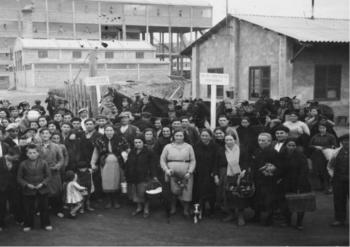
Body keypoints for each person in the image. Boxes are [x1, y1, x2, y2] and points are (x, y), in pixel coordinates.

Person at [215, 133, 251, 226]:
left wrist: (244, 171)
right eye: (227, 140)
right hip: (225, 175)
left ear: (235, 140)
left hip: (239, 174)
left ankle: (240, 216)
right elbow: (216, 164)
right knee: (226, 195)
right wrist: (216, 175)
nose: (229, 142)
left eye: (231, 139)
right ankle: (230, 214)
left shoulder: (241, 149)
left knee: (238, 194)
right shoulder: (220, 150)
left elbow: (246, 162)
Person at [91, 125, 129, 209]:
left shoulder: (121, 139)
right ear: (104, 131)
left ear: (114, 131)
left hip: (118, 164)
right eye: (107, 130)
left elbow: (127, 150)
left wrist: (128, 160)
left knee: (116, 181)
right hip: (105, 164)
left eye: (110, 130)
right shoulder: (100, 140)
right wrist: (93, 163)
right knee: (106, 181)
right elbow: (95, 153)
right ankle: (109, 201)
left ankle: (115, 201)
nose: (109, 132)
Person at [160, 130, 196, 217]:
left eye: (181, 136)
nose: (179, 137)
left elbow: (193, 160)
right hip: (171, 173)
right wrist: (166, 170)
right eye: (177, 135)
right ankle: (173, 208)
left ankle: (186, 210)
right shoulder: (168, 147)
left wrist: (190, 172)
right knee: (173, 192)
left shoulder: (189, 147)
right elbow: (162, 160)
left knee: (187, 191)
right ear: (173, 136)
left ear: (184, 137)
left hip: (186, 174)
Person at [17, 144, 52, 232]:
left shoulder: (44, 162)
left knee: (44, 207)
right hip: (28, 189)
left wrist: (43, 183)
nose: (32, 154)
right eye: (30, 153)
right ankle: (28, 224)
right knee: (28, 208)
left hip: (42, 189)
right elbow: (19, 178)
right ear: (27, 154)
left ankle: (46, 224)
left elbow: (48, 176)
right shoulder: (23, 164)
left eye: (34, 152)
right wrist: (26, 184)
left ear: (38, 153)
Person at [279, 138, 311, 230]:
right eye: (289, 145)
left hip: (300, 182)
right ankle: (287, 221)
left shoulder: (301, 156)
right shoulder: (282, 155)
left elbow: (304, 171)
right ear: (286, 146)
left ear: (296, 146)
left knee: (299, 203)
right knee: (286, 202)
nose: (291, 147)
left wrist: (300, 185)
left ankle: (299, 222)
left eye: (293, 145)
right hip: (286, 182)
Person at [251, 133, 280, 226]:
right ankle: (256, 216)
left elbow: (277, 166)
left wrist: (270, 170)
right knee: (257, 198)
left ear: (269, 141)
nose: (261, 142)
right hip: (257, 178)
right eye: (259, 140)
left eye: (263, 140)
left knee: (269, 199)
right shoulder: (256, 151)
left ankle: (269, 218)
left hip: (269, 180)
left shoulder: (273, 152)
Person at [125, 135, 157, 218]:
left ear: (143, 143)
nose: (137, 144)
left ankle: (146, 209)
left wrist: (153, 175)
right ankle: (139, 208)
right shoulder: (132, 152)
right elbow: (128, 164)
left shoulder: (149, 152)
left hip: (144, 176)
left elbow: (153, 165)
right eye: (135, 142)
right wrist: (127, 174)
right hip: (133, 176)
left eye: (139, 142)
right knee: (135, 193)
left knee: (144, 193)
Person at [38, 128, 65, 218]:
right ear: (40, 135)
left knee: (56, 192)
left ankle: (58, 210)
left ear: (50, 135)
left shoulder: (56, 146)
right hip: (42, 173)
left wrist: (57, 166)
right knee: (43, 191)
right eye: (43, 133)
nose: (45, 135)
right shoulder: (37, 146)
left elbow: (61, 159)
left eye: (47, 133)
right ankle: (42, 209)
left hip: (54, 172)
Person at [0, 128, 22, 231]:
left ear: (3, 135)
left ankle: (18, 218)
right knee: (1, 203)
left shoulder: (7, 146)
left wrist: (11, 161)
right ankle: (1, 223)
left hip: (11, 179)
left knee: (15, 200)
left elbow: (16, 158)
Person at [193, 129, 218, 217]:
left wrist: (214, 173)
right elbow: (194, 159)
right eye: (202, 135)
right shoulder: (197, 145)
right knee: (200, 192)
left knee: (211, 192)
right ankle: (201, 209)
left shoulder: (214, 146)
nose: (204, 137)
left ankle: (212, 210)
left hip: (210, 173)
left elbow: (216, 161)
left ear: (210, 137)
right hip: (199, 172)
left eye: (206, 135)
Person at [309, 121, 337, 194]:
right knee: (318, 171)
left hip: (326, 156)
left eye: (323, 128)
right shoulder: (315, 136)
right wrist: (315, 147)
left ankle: (328, 187)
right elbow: (310, 145)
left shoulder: (331, 136)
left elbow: (334, 146)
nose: (321, 129)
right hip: (317, 156)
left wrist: (323, 147)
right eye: (320, 128)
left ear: (326, 128)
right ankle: (320, 186)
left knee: (326, 171)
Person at [329, 134, 349, 227]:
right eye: (344, 141)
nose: (347, 143)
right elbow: (330, 166)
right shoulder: (336, 152)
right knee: (339, 200)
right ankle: (339, 219)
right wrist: (334, 176)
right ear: (341, 142)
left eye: (349, 141)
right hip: (339, 180)